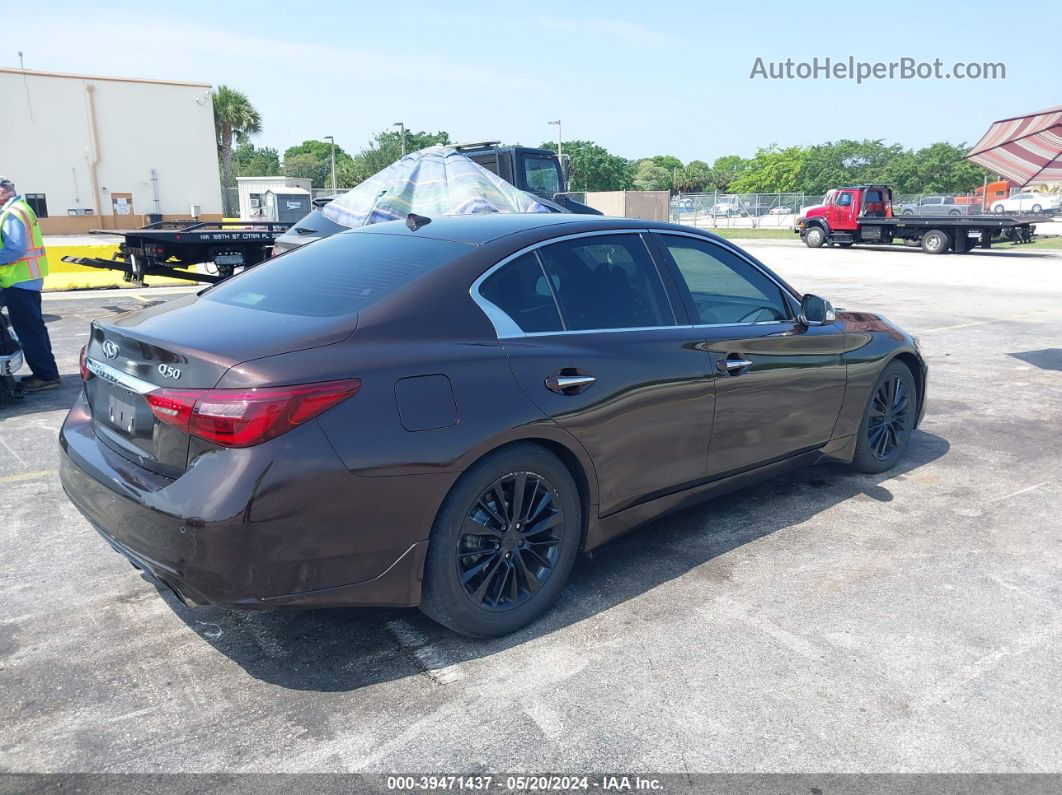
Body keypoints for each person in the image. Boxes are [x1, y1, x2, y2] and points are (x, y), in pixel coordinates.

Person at [0, 175, 60, 391]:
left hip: (19, 280)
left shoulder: (13, 213)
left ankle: (46, 376)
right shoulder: (22, 208)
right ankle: (47, 372)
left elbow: (15, 249)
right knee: (35, 328)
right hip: (26, 280)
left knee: (29, 330)